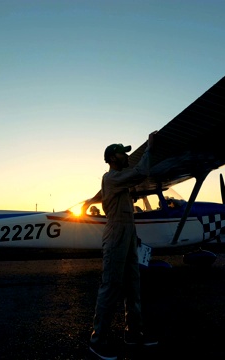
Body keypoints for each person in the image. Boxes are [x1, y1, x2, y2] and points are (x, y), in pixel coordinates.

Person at [86, 133, 158, 360]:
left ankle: (133, 333)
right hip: (116, 233)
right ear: (112, 158)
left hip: (128, 232)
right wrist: (150, 149)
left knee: (133, 284)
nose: (126, 155)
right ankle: (97, 341)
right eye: (122, 152)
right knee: (111, 286)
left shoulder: (121, 180)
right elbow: (140, 172)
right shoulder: (110, 178)